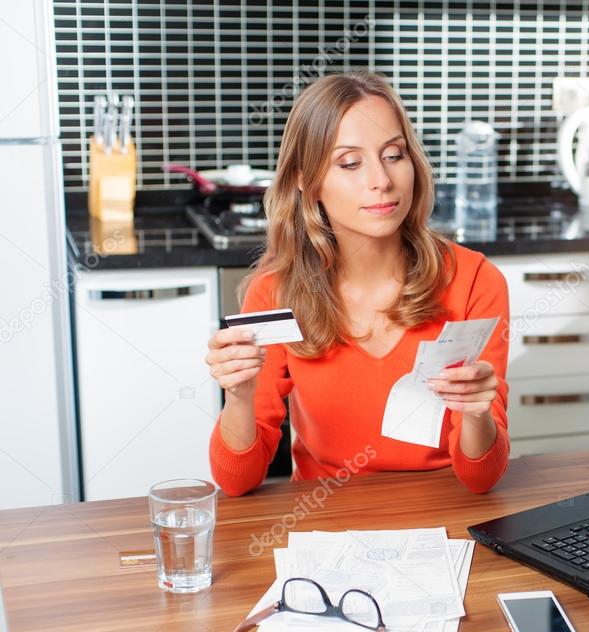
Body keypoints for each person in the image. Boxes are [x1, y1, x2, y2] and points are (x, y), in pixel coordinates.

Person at [205, 72, 510, 497]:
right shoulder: (276, 293)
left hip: (447, 520)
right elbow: (237, 480)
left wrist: (477, 414)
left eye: (394, 155)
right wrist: (238, 396)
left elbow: (482, 479)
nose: (381, 180)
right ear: (305, 181)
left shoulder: (475, 280)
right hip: (322, 518)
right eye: (350, 163)